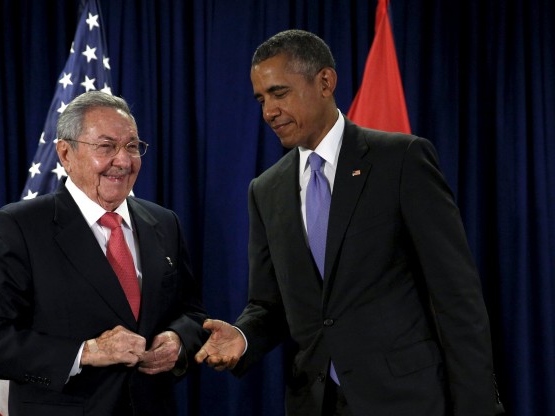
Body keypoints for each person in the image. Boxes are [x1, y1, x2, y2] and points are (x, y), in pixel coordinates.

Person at [195, 29, 504, 415]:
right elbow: (269, 304)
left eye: (279, 93)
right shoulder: (266, 190)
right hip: (315, 402)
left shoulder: (401, 161)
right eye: (261, 99)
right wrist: (243, 336)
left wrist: (477, 406)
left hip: (407, 399)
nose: (268, 112)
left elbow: (456, 297)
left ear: (325, 82)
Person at [0, 91, 208, 415]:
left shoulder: (163, 222)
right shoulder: (23, 226)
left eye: (132, 146)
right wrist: (85, 352)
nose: (124, 161)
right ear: (65, 153)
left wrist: (178, 339)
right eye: (106, 147)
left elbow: (193, 313)